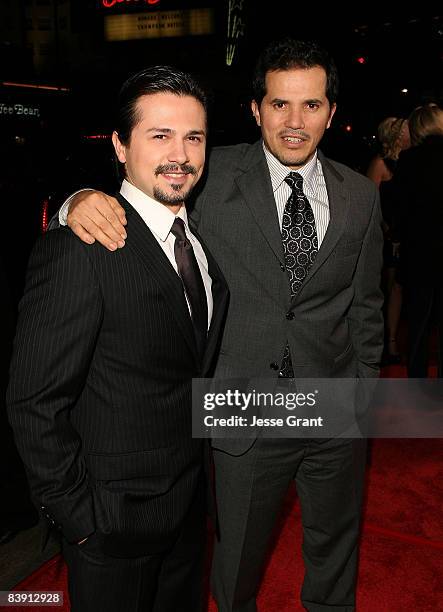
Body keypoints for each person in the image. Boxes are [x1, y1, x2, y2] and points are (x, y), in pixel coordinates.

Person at [58, 39, 384, 612]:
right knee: (235, 567)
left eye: (310, 105)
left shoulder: (360, 196)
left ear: (332, 112)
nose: (293, 121)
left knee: (336, 553)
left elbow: (366, 306)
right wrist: (74, 201)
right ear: (256, 109)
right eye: (279, 104)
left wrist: (363, 393)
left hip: (335, 409)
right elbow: (142, 197)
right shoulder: (211, 172)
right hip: (245, 409)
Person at [7, 66, 228, 612]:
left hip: (189, 508)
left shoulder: (199, 239)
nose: (179, 154)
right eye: (160, 135)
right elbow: (33, 402)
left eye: (193, 137)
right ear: (120, 146)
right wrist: (80, 521)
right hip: (111, 524)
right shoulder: (80, 248)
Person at [392, 103, 443, 378]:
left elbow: (399, 208)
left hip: (420, 251)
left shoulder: (410, 160)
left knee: (418, 323)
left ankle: (417, 384)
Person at [366, 117, 410, 363]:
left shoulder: (409, 163)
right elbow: (370, 205)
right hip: (382, 237)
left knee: (397, 288)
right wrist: (385, 230)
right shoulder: (380, 164)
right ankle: (379, 343)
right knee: (382, 288)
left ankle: (392, 340)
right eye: (404, 128)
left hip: (402, 235)